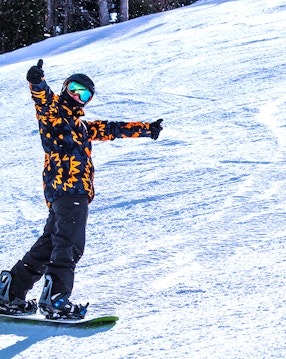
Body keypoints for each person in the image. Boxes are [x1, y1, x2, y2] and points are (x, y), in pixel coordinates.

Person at [0, 59, 163, 320]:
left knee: (48, 244)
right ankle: (56, 299)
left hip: (62, 192)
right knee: (69, 243)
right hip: (70, 189)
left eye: (84, 94)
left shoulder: (81, 127)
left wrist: (146, 129)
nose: (78, 95)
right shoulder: (54, 113)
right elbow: (42, 99)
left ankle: (12, 291)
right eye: (74, 88)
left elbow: (111, 128)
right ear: (65, 88)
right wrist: (37, 82)